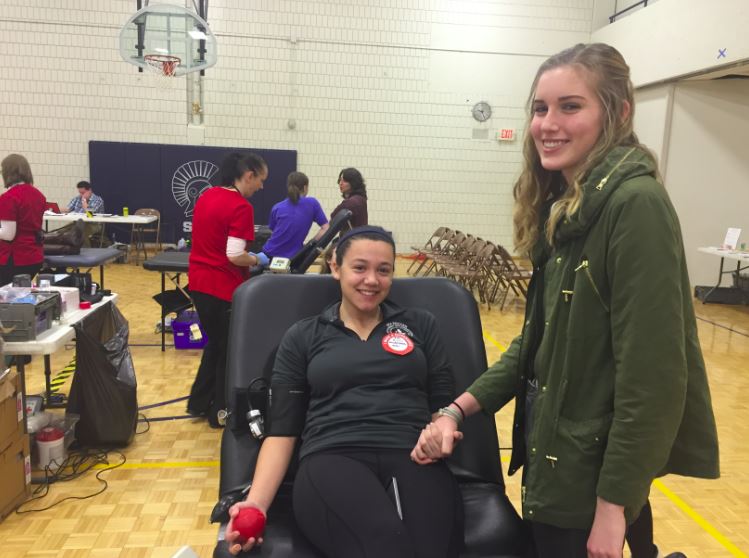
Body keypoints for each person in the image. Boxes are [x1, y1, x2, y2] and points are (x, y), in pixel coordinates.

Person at [411, 43, 719, 558]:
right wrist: (456, 411)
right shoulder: (567, 208)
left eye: (570, 106)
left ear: (618, 113)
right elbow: (536, 344)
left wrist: (614, 505)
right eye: (539, 108)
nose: (547, 123)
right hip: (557, 464)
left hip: (593, 488)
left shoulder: (634, 206)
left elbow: (655, 380)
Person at [225, 226, 463, 558]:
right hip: (332, 455)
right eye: (360, 267)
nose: (372, 280)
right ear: (336, 268)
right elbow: (282, 431)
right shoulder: (304, 336)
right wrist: (256, 505)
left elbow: (443, 407)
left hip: (413, 454)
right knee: (386, 545)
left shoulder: (420, 325)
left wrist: (441, 433)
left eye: (383, 270)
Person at [187, 152, 268, 428]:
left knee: (216, 345)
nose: (261, 186)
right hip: (221, 288)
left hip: (198, 283)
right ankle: (219, 413)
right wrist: (257, 259)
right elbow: (234, 254)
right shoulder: (240, 206)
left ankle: (198, 403)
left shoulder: (207, 196)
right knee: (227, 351)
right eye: (261, 180)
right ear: (249, 175)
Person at [258, 171, 329, 261]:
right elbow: (326, 228)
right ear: (305, 187)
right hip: (293, 257)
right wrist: (310, 244)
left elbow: (273, 229)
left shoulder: (277, 207)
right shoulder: (312, 203)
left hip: (269, 254)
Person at [0, 154, 46, 286]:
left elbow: (8, 235)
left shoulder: (8, 197)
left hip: (15, 259)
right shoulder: (39, 195)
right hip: (35, 257)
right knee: (19, 297)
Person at [62, 181, 105, 247]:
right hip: (78, 222)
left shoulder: (97, 200)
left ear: (90, 190)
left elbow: (90, 214)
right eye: (80, 192)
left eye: (83, 193)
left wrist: (84, 203)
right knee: (61, 232)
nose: (81, 195)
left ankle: (87, 253)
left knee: (80, 234)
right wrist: (55, 209)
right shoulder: (77, 198)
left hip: (93, 224)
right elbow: (68, 209)